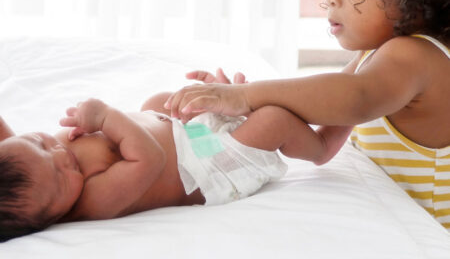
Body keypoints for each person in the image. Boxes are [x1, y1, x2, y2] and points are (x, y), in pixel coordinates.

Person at [165, 0, 450, 230]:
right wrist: (247, 111)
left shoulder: (415, 57)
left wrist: (245, 95)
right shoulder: (372, 61)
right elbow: (322, 146)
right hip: (390, 225)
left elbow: (353, 99)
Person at [0, 69, 333, 242]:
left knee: (157, 101)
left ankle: (228, 111)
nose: (60, 156)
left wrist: (194, 116)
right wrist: (105, 118)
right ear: (51, 217)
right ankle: (323, 146)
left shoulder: (27, 168)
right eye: (60, 179)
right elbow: (149, 158)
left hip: (191, 137)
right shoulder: (93, 200)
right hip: (207, 166)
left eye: (40, 143)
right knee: (273, 120)